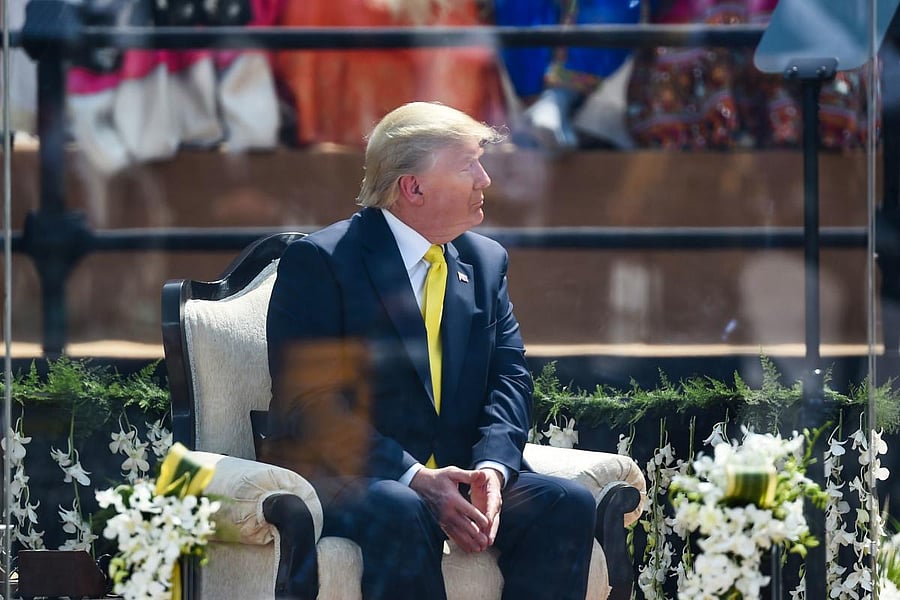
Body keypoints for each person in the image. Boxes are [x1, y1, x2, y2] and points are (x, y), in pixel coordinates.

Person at [264, 101, 597, 600]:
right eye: (468, 165)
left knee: (565, 502)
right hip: (354, 475)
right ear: (412, 187)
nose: (484, 179)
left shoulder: (485, 262)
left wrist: (493, 470)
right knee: (403, 506)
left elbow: (510, 378)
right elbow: (309, 407)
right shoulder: (322, 262)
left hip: (458, 471)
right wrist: (416, 476)